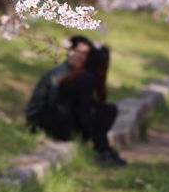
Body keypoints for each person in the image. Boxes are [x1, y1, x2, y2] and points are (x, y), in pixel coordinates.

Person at [27, 37, 126, 166]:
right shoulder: (65, 75)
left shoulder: (80, 74)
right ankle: (102, 149)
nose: (82, 57)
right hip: (51, 121)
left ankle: (103, 148)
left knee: (106, 110)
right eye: (80, 52)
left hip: (60, 119)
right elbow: (68, 107)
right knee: (107, 111)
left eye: (86, 54)